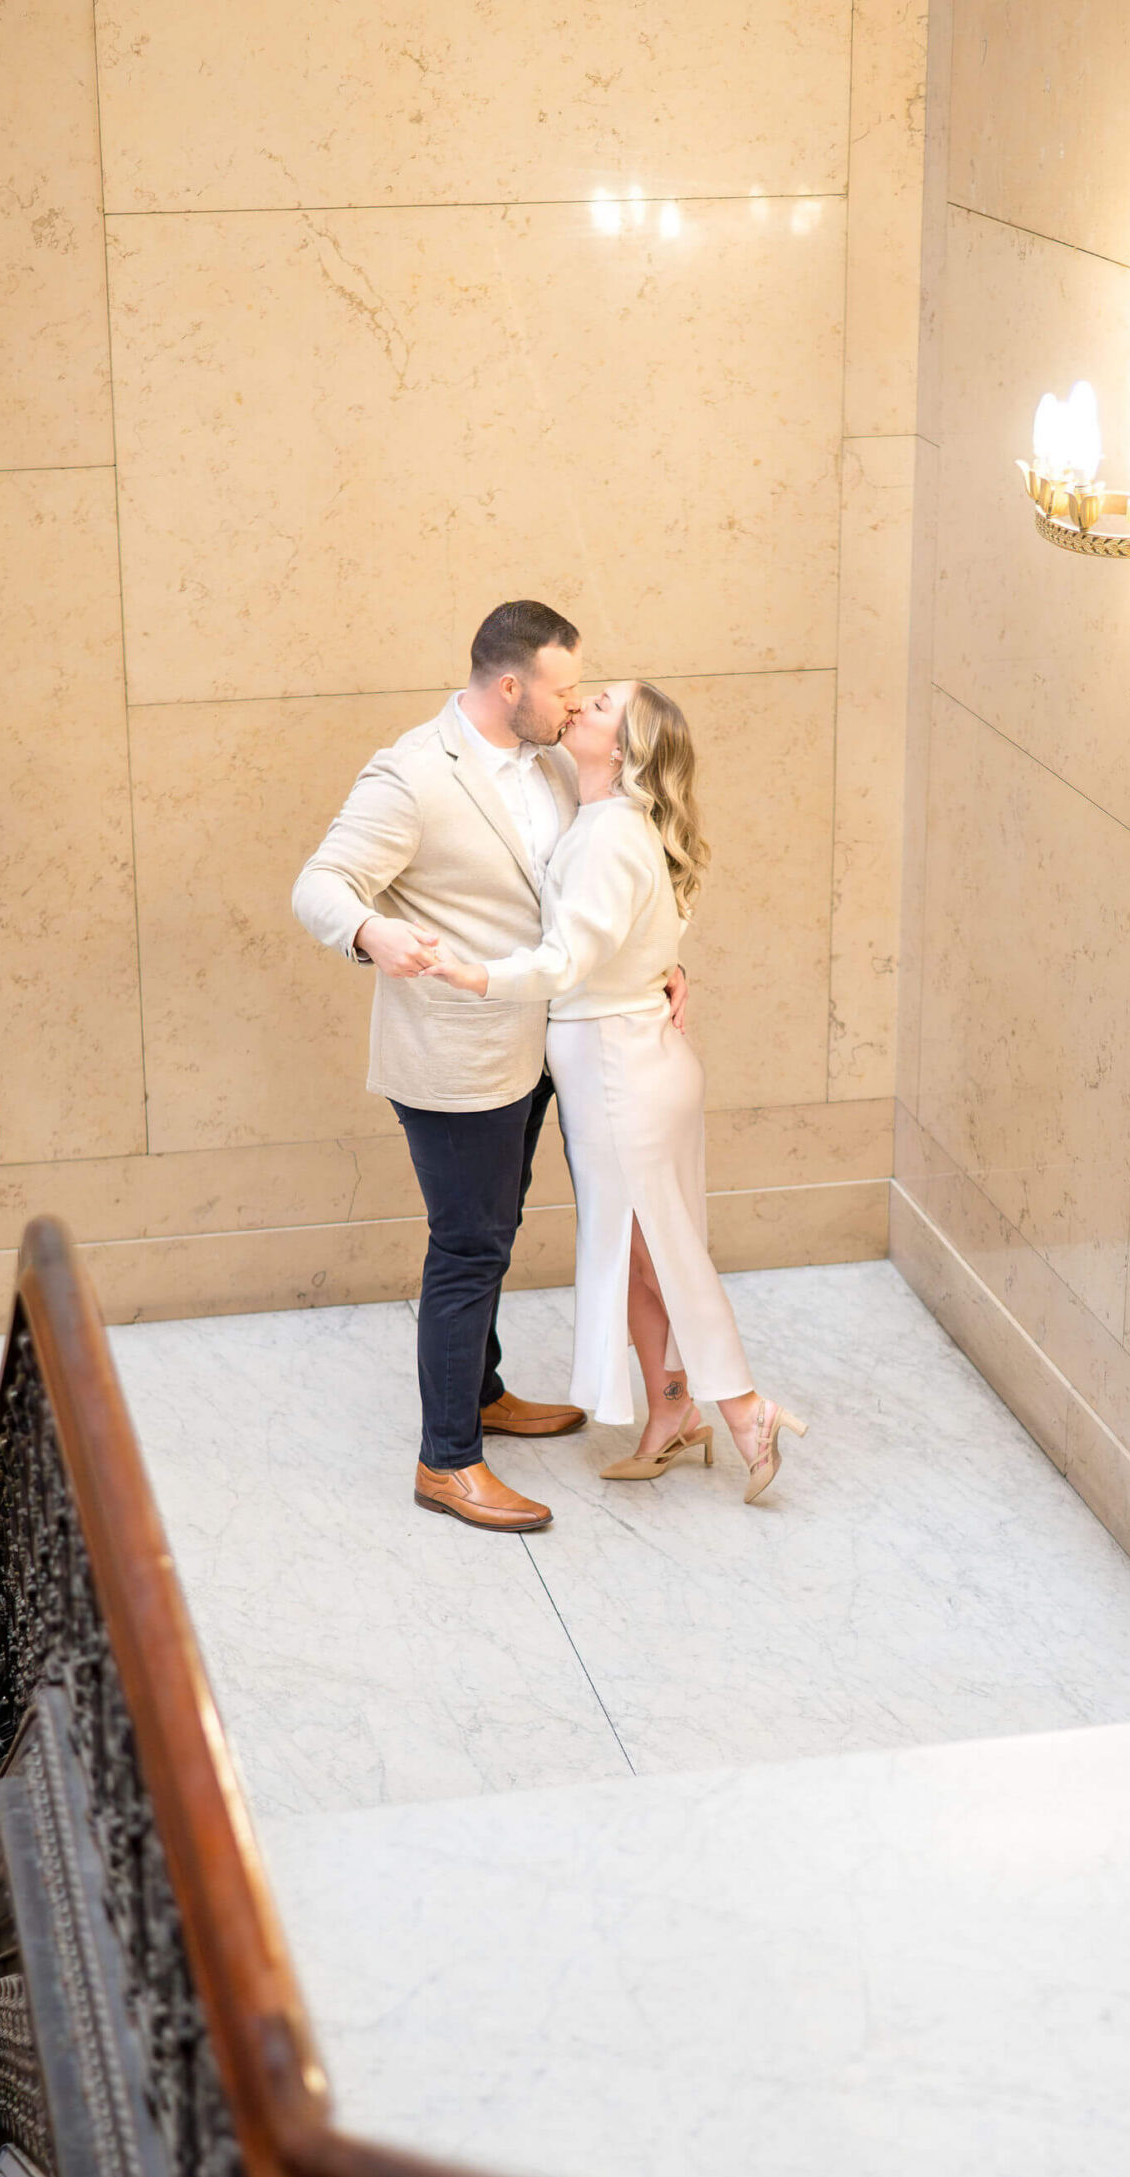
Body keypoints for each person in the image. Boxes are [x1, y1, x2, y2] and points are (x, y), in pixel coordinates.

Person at [291, 601, 687, 1533]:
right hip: (453, 1058)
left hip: (539, 1045)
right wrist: (369, 929)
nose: (577, 701)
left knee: (497, 1225)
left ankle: (484, 1392)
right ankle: (446, 1460)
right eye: (563, 687)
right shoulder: (411, 776)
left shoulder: (553, 757)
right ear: (510, 686)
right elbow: (319, 882)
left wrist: (658, 962)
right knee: (467, 1248)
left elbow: (590, 888)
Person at [426, 681, 806, 1503]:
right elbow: (640, 932)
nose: (577, 706)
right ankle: (672, 1415)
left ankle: (742, 1408)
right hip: (629, 1055)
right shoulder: (610, 822)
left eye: (597, 705)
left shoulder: (608, 835)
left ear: (624, 749)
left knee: (653, 1251)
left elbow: (565, 960)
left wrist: (473, 973)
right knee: (641, 1253)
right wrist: (661, 970)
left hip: (618, 1067)